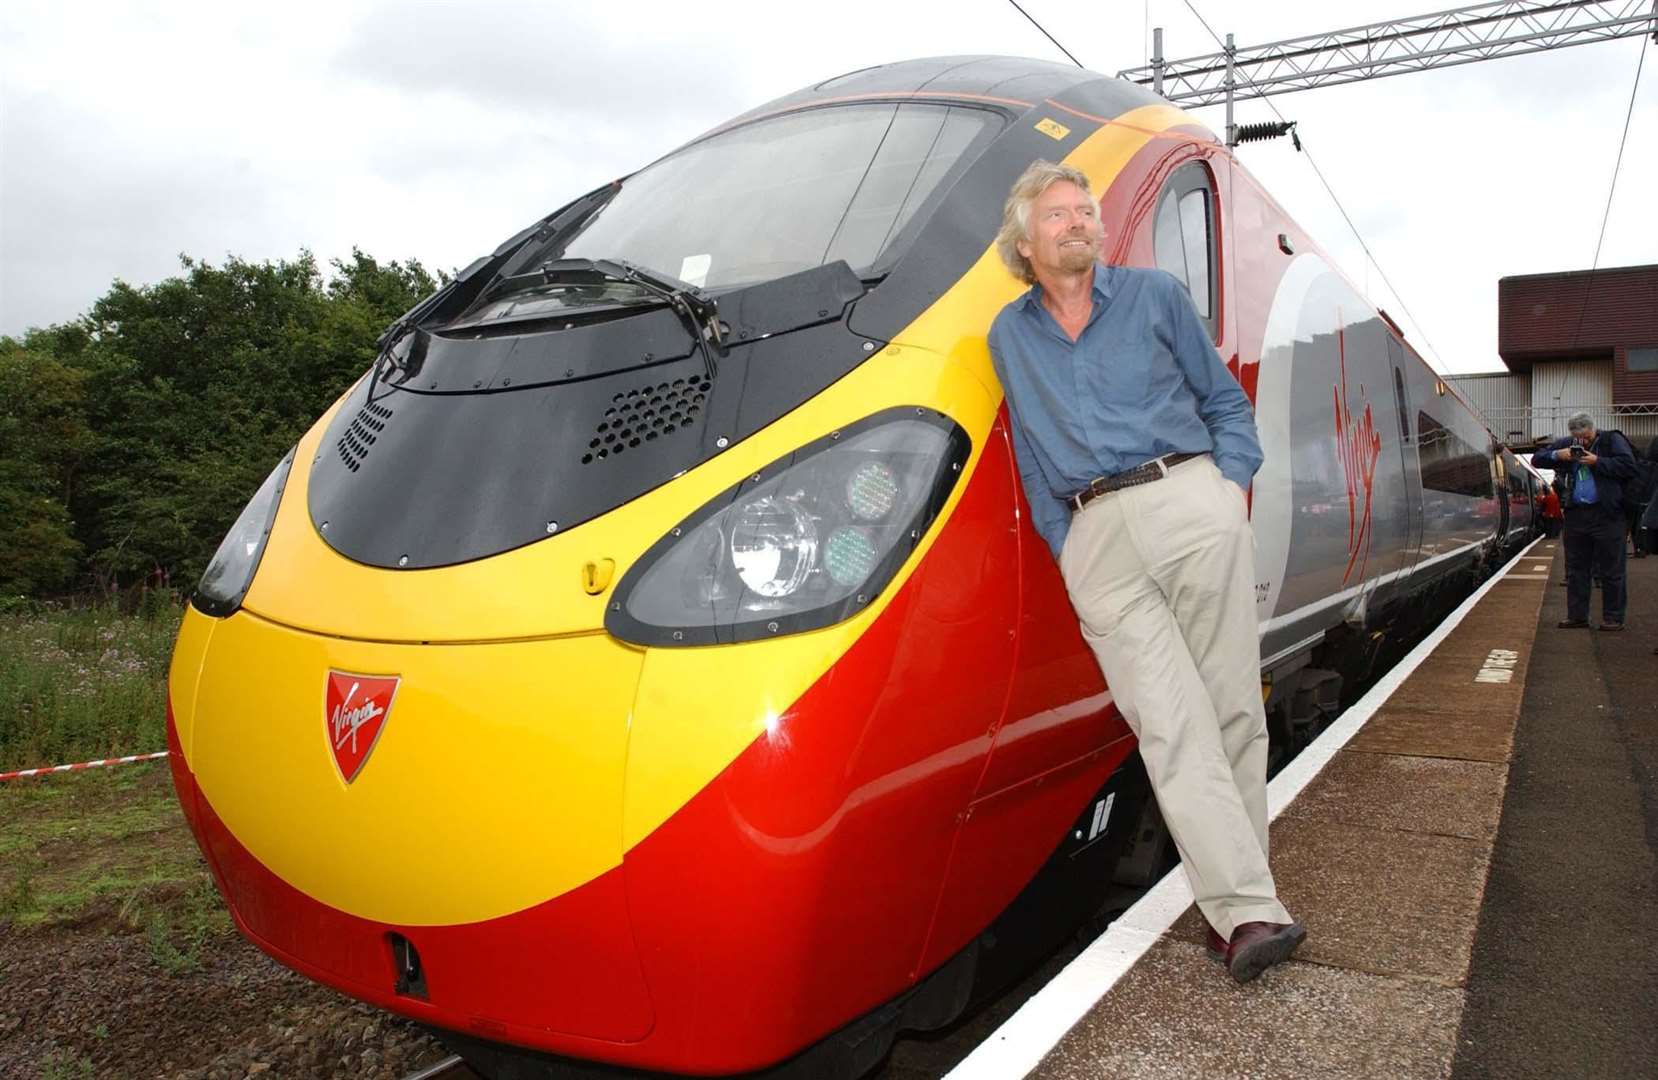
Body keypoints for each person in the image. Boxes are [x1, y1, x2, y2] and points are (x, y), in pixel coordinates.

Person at [987, 160, 1303, 983]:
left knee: (1231, 708)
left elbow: (1225, 403)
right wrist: (1065, 544)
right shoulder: (1009, 335)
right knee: (1169, 724)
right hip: (1097, 535)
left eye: (1084, 211)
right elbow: (1027, 447)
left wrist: (1228, 486)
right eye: (1057, 216)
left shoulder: (1157, 297)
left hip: (1185, 499)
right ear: (1025, 244)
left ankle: (1242, 909)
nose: (1078, 223)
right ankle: (1247, 906)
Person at [1532, 414, 1637, 630]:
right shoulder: (1568, 443)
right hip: (1576, 514)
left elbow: (1629, 466)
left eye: (1587, 437)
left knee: (1612, 569)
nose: (1583, 442)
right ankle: (1577, 616)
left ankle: (1613, 618)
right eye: (1578, 438)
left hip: (1608, 514)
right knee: (1577, 569)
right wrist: (1556, 454)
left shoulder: (1611, 440)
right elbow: (1537, 459)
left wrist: (1598, 461)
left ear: (1593, 429)